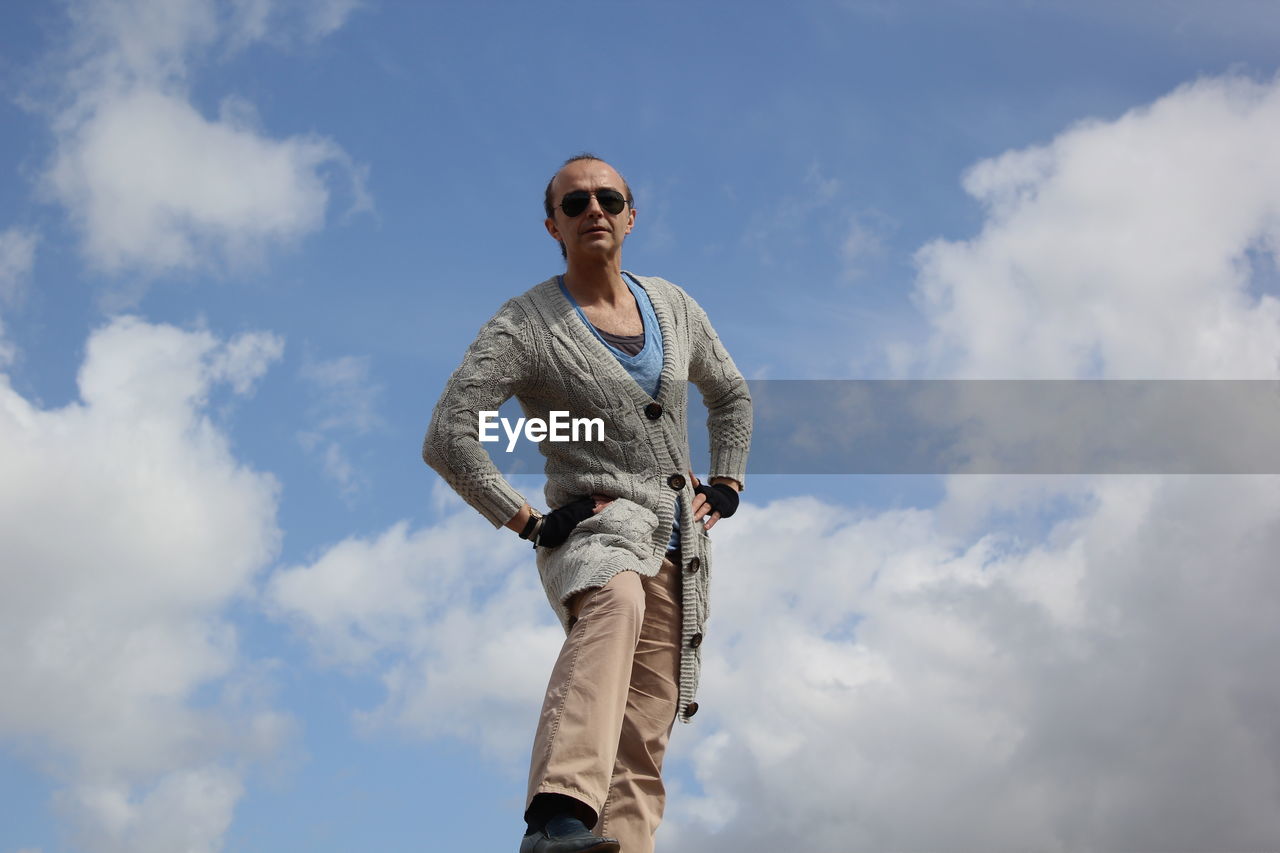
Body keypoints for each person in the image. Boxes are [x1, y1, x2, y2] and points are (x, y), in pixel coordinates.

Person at [422, 154, 751, 853]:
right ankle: (557, 816)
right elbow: (450, 432)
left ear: (631, 215)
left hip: (678, 547)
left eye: (608, 198)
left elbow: (730, 394)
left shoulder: (673, 304)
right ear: (554, 226)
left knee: (644, 728)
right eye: (575, 204)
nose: (593, 210)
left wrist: (728, 480)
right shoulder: (527, 324)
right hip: (594, 530)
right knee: (616, 602)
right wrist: (527, 519)